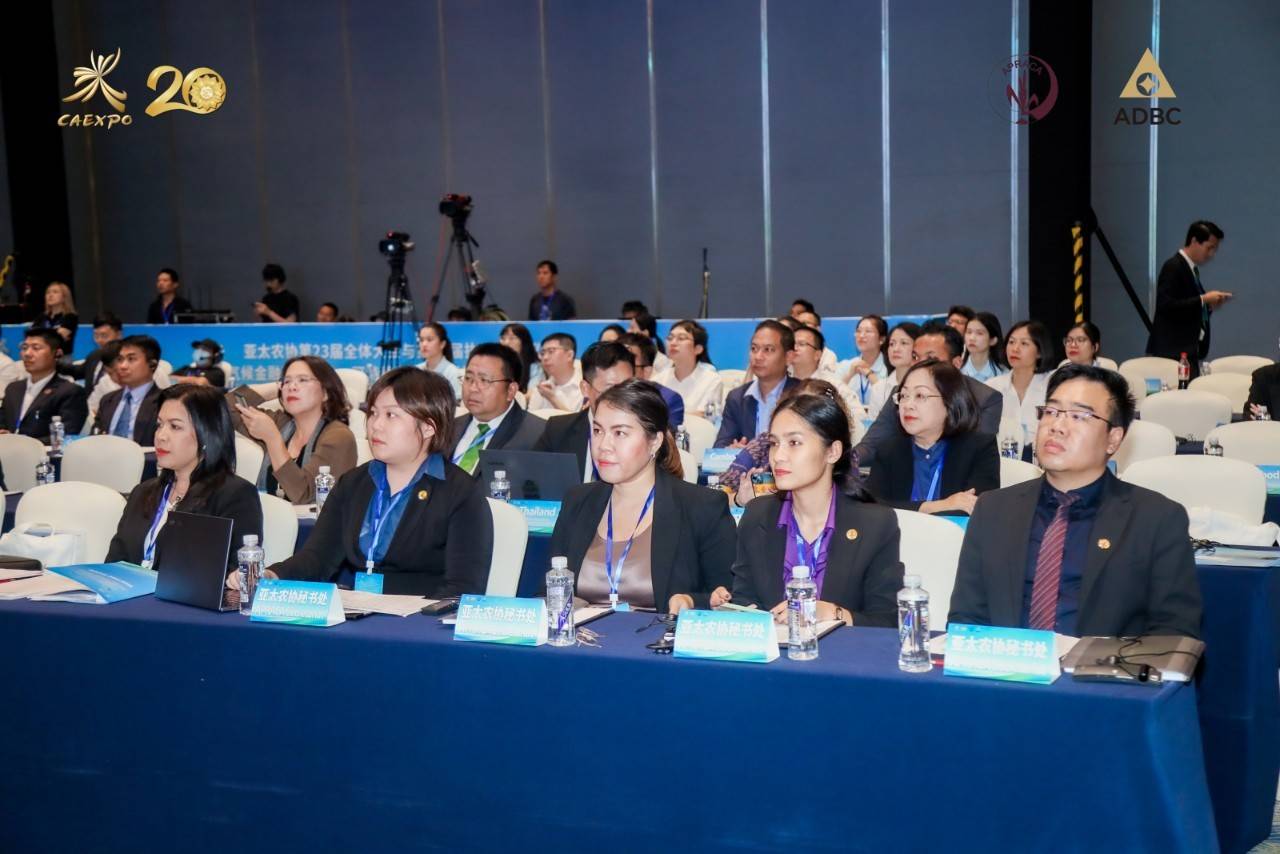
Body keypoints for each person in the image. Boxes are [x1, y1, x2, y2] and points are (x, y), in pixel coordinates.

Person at [949, 364, 1202, 638]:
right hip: (1007, 662)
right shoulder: (993, 510)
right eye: (1051, 412)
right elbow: (966, 619)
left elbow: (1174, 635)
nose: (1057, 426)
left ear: (1113, 439)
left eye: (1079, 416)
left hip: (1104, 665)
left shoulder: (1156, 519)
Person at [260, 367, 492, 597]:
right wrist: (273, 575)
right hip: (360, 610)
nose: (375, 425)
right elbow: (318, 558)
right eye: (373, 413)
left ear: (428, 427)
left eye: (391, 415)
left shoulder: (460, 493)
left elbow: (463, 587)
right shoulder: (353, 483)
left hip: (422, 615)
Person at [712, 386, 902, 628]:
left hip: (842, 650)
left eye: (794, 443)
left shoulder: (875, 524)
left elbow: (887, 621)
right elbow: (746, 599)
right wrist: (732, 607)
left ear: (832, 452)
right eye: (774, 443)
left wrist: (833, 613)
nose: (778, 456)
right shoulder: (757, 515)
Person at [548, 379, 735, 613]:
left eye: (620, 433)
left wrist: (690, 602)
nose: (603, 445)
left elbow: (729, 599)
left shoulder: (702, 507)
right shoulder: (577, 501)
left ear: (655, 441)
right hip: (580, 634)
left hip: (658, 635)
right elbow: (548, 591)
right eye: (597, 431)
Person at [106, 385, 263, 570]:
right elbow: (113, 564)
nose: (160, 436)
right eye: (159, 425)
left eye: (175, 427)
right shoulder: (142, 492)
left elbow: (239, 573)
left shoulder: (235, 495)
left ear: (207, 434)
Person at [863, 359, 999, 515]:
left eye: (920, 395)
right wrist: (937, 506)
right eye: (904, 395)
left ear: (949, 401)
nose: (908, 405)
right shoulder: (889, 450)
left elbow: (976, 509)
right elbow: (871, 508)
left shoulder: (979, 448)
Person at [856, 322, 1002, 467]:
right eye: (915, 357)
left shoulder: (984, 399)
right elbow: (871, 445)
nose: (919, 366)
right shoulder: (901, 394)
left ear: (956, 364)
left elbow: (973, 456)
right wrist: (845, 462)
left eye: (931, 359)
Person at [230, 356, 358, 505]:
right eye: (287, 381)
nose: (292, 387)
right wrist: (278, 387)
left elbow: (305, 496)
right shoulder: (281, 423)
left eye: (303, 380)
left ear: (325, 393)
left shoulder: (338, 437)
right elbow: (224, 408)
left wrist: (273, 439)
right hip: (271, 517)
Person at [533, 341, 635, 479]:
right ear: (585, 389)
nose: (622, 397)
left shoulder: (646, 432)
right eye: (610, 389)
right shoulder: (558, 430)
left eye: (628, 387)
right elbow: (533, 480)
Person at [1146, 221, 1231, 378]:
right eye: (1209, 248)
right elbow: (1166, 305)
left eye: (1214, 249)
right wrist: (1203, 299)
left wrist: (1208, 306)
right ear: (1194, 241)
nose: (1211, 254)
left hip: (1187, 350)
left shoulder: (1190, 269)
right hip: (1172, 352)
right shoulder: (1174, 266)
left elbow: (1187, 307)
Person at [448, 343, 544, 475]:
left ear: (511, 390)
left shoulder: (538, 434)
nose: (473, 388)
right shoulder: (448, 428)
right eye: (468, 378)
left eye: (484, 380)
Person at [714, 320, 798, 448]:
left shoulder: (802, 395)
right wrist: (731, 450)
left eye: (768, 350)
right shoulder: (737, 398)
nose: (758, 357)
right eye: (754, 349)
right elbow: (720, 447)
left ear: (789, 357)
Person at [0, 328, 88, 440]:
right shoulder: (13, 388)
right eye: (24, 348)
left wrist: (21, 443)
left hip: (44, 450)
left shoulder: (70, 392)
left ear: (57, 353)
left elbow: (65, 435)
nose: (27, 354)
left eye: (36, 348)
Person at [986, 320, 1056, 453]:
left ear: (1040, 352)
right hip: (1002, 458)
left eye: (1024, 343)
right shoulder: (992, 387)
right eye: (1011, 342)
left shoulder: (1052, 386)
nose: (1015, 349)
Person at [92, 335, 163, 445]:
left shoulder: (164, 402)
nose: (122, 366)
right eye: (120, 359)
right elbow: (94, 438)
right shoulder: (107, 400)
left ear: (152, 364)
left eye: (131, 359)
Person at [790, 325, 863, 421]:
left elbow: (859, 417)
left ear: (817, 355)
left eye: (802, 344)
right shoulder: (780, 382)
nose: (795, 348)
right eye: (792, 344)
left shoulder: (833, 385)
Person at [653, 320, 722, 416]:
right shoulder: (658, 381)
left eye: (681, 338)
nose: (673, 343)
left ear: (698, 349)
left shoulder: (711, 380)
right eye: (670, 338)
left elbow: (706, 415)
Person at [619, 333, 683, 428]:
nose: (618, 371)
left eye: (629, 366)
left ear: (646, 371)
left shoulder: (667, 400)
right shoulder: (602, 393)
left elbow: (666, 436)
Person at [863, 321, 921, 421]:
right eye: (892, 344)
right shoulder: (879, 389)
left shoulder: (928, 386)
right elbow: (874, 427)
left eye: (904, 343)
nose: (896, 349)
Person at [62, 312, 122, 395]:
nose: (99, 340)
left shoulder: (125, 361)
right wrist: (53, 362)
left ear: (118, 335)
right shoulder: (95, 355)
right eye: (96, 336)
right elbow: (77, 371)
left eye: (104, 336)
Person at [839, 314, 889, 405]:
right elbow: (831, 398)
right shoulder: (845, 365)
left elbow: (889, 402)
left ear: (881, 339)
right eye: (858, 331)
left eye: (868, 331)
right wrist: (849, 375)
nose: (861, 335)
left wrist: (870, 375)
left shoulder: (890, 368)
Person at [527, 332, 581, 412]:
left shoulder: (584, 388)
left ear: (569, 355)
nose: (545, 358)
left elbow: (580, 420)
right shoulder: (541, 388)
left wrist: (552, 398)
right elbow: (530, 418)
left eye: (551, 351)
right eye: (542, 353)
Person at [415, 322, 462, 399]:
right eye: (421, 340)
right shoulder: (416, 370)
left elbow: (457, 401)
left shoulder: (452, 372)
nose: (424, 344)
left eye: (429, 340)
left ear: (442, 344)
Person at [961, 312, 1007, 382]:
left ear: (993, 340)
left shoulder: (1003, 374)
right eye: (969, 332)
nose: (972, 338)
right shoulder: (956, 371)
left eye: (979, 333)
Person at [499, 323, 540, 393]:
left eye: (512, 338)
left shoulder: (534, 366)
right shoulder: (494, 364)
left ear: (523, 342)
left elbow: (532, 393)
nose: (506, 342)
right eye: (503, 338)